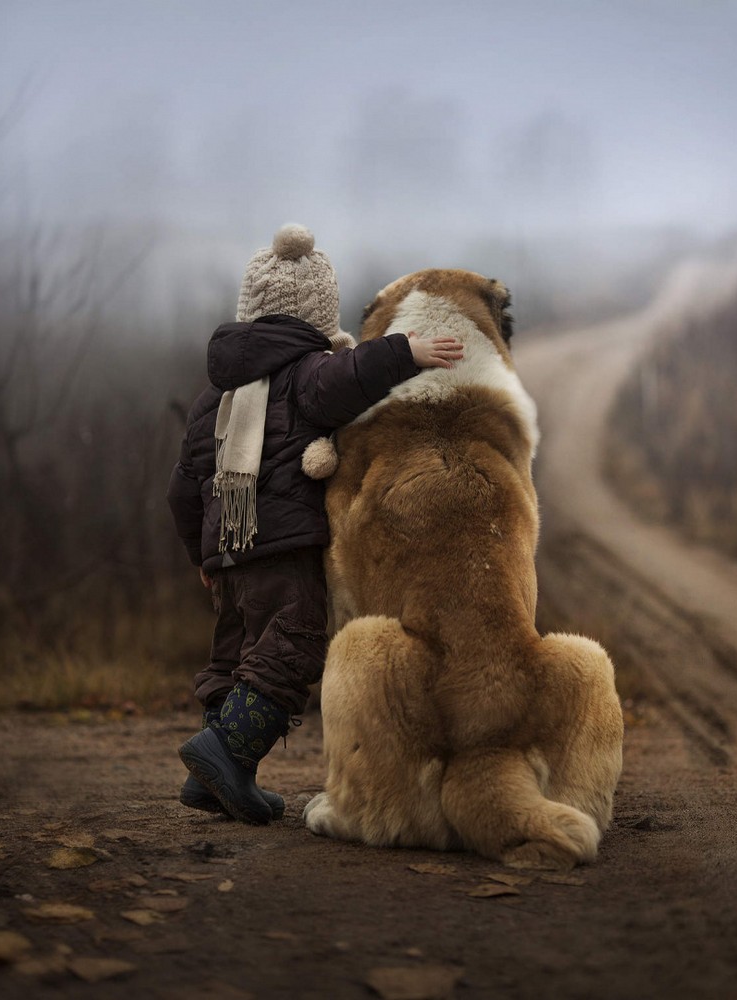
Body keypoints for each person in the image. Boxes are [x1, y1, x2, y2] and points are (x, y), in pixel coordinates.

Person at [168, 223, 464, 824]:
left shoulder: (213, 399)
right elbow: (348, 377)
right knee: (292, 649)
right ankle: (225, 752)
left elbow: (182, 486)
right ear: (316, 314)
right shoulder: (305, 374)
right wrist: (407, 351)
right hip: (282, 547)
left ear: (250, 310)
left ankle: (219, 778)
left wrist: (202, 555)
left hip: (227, 553)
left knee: (236, 657)